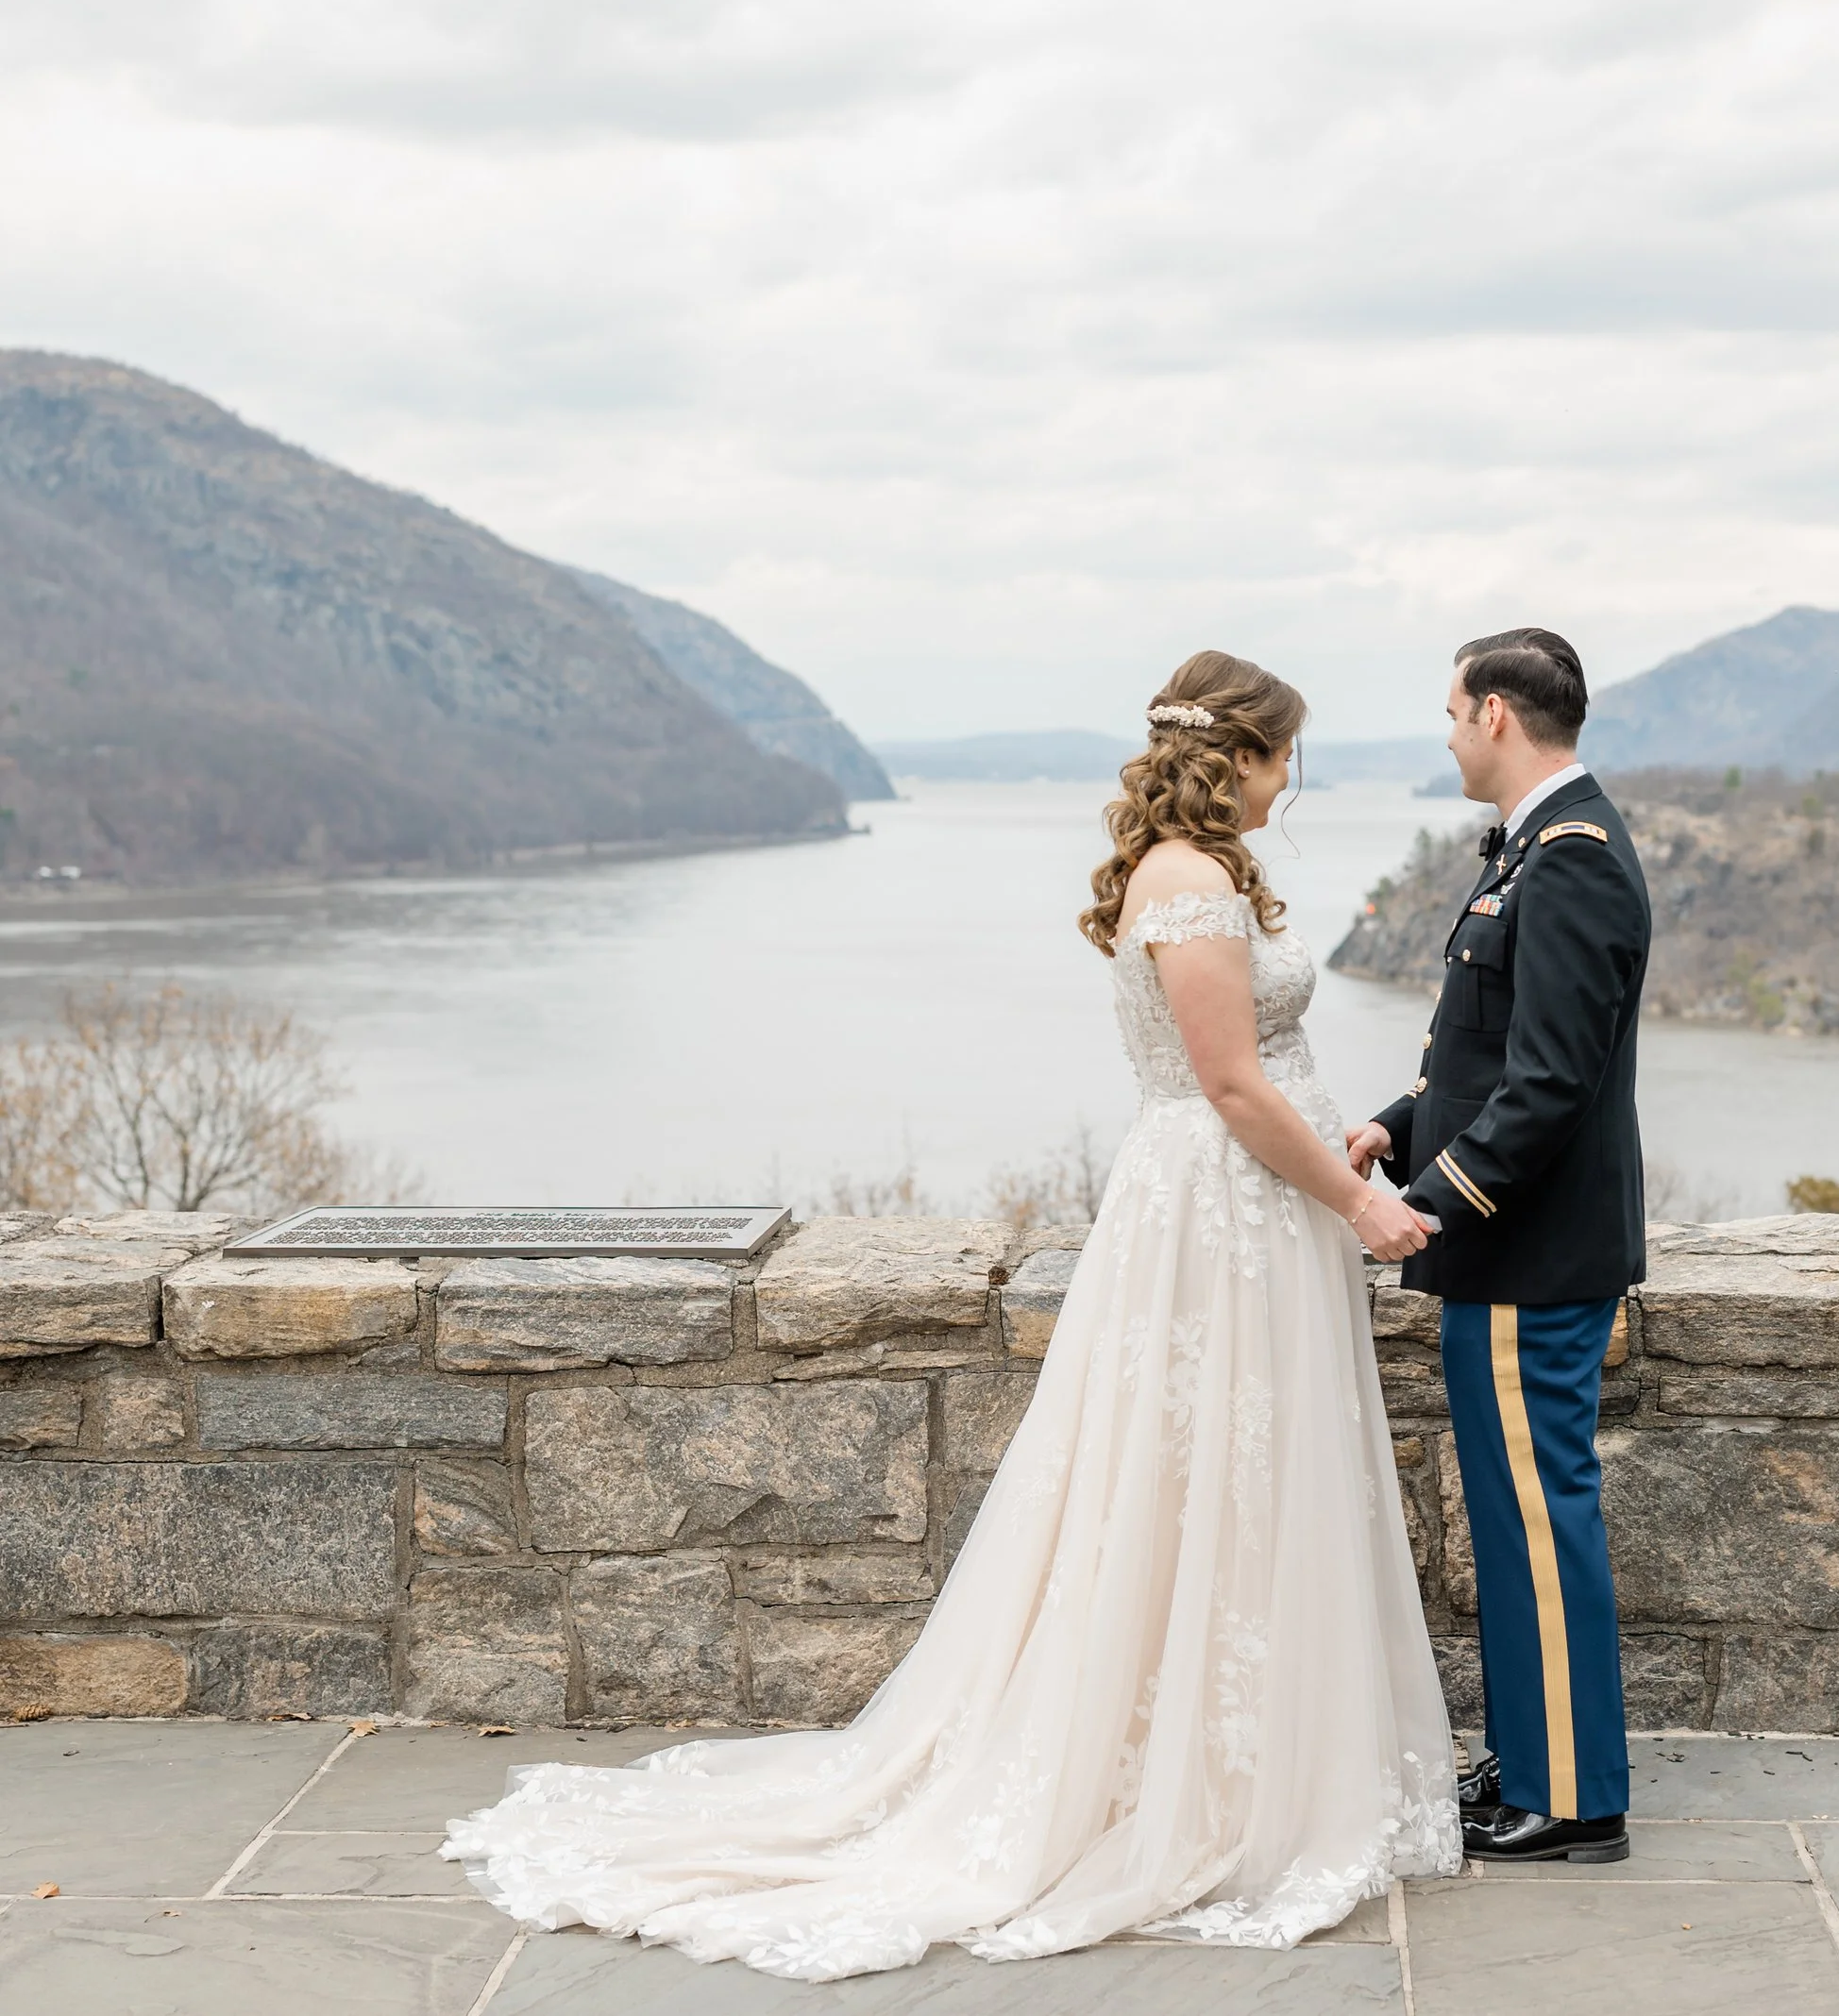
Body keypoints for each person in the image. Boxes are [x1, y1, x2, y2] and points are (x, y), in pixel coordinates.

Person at [443, 648, 1460, 1981]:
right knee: (1195, 1477)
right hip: (1224, 1207)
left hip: (1255, 1204)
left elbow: (1261, 1068)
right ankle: (1190, 1786)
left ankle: (1252, 1755)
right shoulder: (1187, 880)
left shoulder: (1203, 873)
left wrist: (1341, 1146)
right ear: (1240, 755)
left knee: (1244, 1478)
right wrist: (1357, 1201)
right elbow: (1226, 1083)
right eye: (1286, 756)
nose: (1293, 782)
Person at [1346, 626, 1648, 1867]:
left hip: (1531, 1255)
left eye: (1452, 712)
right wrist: (1396, 1124)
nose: (1449, 734)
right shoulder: (1538, 846)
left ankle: (1573, 1796)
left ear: (1496, 717)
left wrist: (1430, 1202)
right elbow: (1483, 1055)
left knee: (1538, 1520)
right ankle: (1532, 1755)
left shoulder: (1571, 860)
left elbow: (1551, 1084)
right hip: (1513, 1253)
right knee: (1515, 1519)